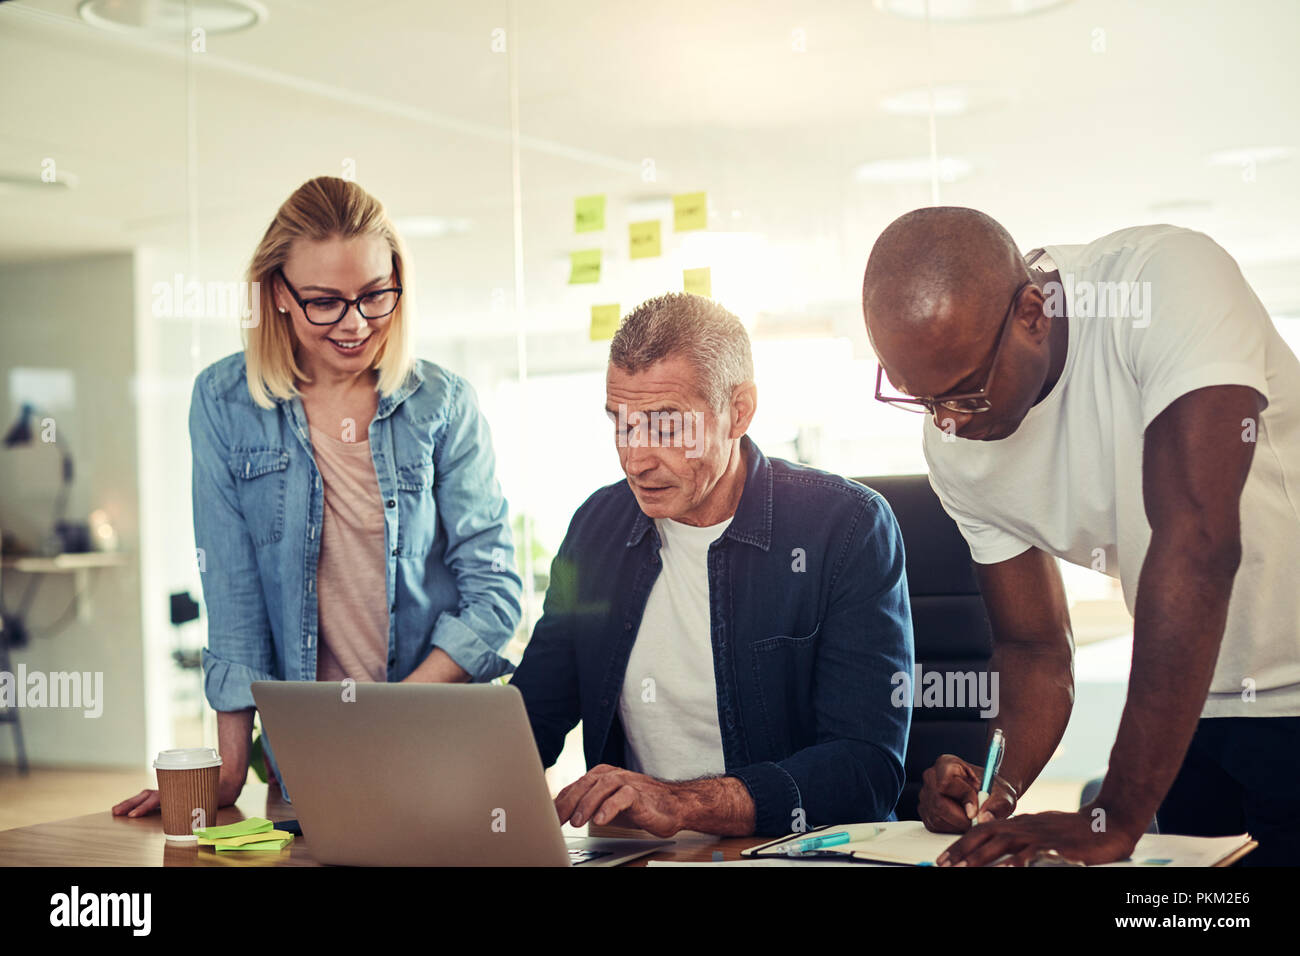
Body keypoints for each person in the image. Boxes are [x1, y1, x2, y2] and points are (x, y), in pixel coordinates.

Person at [863, 206, 1300, 866]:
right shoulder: (955, 446)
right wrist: (994, 788)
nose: (947, 423)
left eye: (965, 392)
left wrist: (1113, 813)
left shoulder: (1166, 284)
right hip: (1191, 712)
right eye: (921, 399)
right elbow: (1034, 647)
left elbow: (1199, 540)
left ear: (1033, 315)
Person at [113, 176, 522, 818]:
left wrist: (388, 717)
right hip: (306, 769)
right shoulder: (224, 404)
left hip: (439, 757)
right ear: (279, 293)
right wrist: (222, 777)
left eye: (374, 296)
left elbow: (495, 595)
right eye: (325, 301)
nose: (355, 324)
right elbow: (235, 596)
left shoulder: (443, 405)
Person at [509, 292, 913, 838]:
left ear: (739, 411)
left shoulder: (846, 528)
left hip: (792, 852)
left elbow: (865, 770)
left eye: (666, 426)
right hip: (638, 856)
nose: (635, 458)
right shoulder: (597, 526)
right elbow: (534, 714)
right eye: (621, 423)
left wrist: (683, 805)